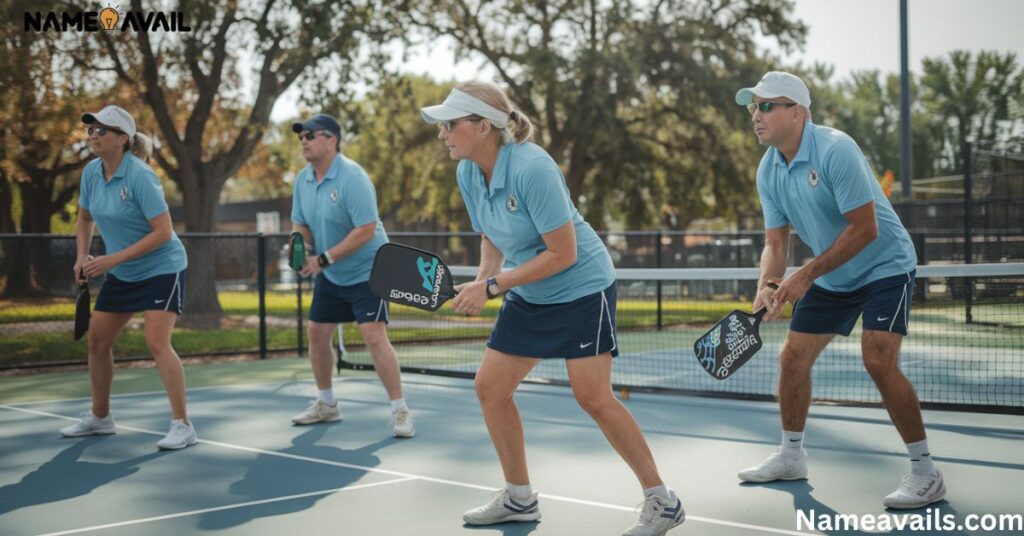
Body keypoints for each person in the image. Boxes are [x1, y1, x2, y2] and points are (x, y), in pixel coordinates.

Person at [421, 83, 684, 536]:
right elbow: (491, 236)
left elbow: (562, 254)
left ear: (483, 127)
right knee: (490, 387)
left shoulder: (532, 167)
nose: (442, 133)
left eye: (451, 124)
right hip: (530, 291)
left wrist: (492, 285)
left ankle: (662, 501)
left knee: (594, 398)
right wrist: (486, 279)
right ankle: (519, 497)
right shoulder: (468, 171)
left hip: (582, 288)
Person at [734, 72, 944, 509]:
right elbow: (776, 241)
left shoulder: (836, 150)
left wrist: (804, 277)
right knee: (792, 357)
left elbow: (864, 229)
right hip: (832, 276)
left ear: (797, 112)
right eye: (752, 106)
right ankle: (792, 456)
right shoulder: (769, 168)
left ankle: (926, 471)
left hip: (885, 265)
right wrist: (766, 285)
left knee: (878, 358)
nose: (755, 114)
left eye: (766, 105)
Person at [63, 105, 196, 450]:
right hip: (121, 271)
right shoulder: (92, 173)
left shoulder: (140, 176)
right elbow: (83, 220)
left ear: (122, 139)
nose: (93, 135)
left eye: (101, 130)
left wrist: (110, 260)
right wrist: (82, 257)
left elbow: (164, 232)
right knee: (97, 341)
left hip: (162, 268)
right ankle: (100, 417)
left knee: (156, 341)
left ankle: (182, 425)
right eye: (90, 129)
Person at [288, 113, 414, 438]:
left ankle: (400, 411)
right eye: (301, 136)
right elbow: (299, 222)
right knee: (316, 332)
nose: (304, 140)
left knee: (373, 336)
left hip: (369, 270)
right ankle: (327, 404)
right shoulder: (302, 180)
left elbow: (366, 229)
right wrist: (299, 243)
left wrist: (323, 259)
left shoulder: (353, 177)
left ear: (331, 140)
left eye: (310, 135)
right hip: (332, 272)